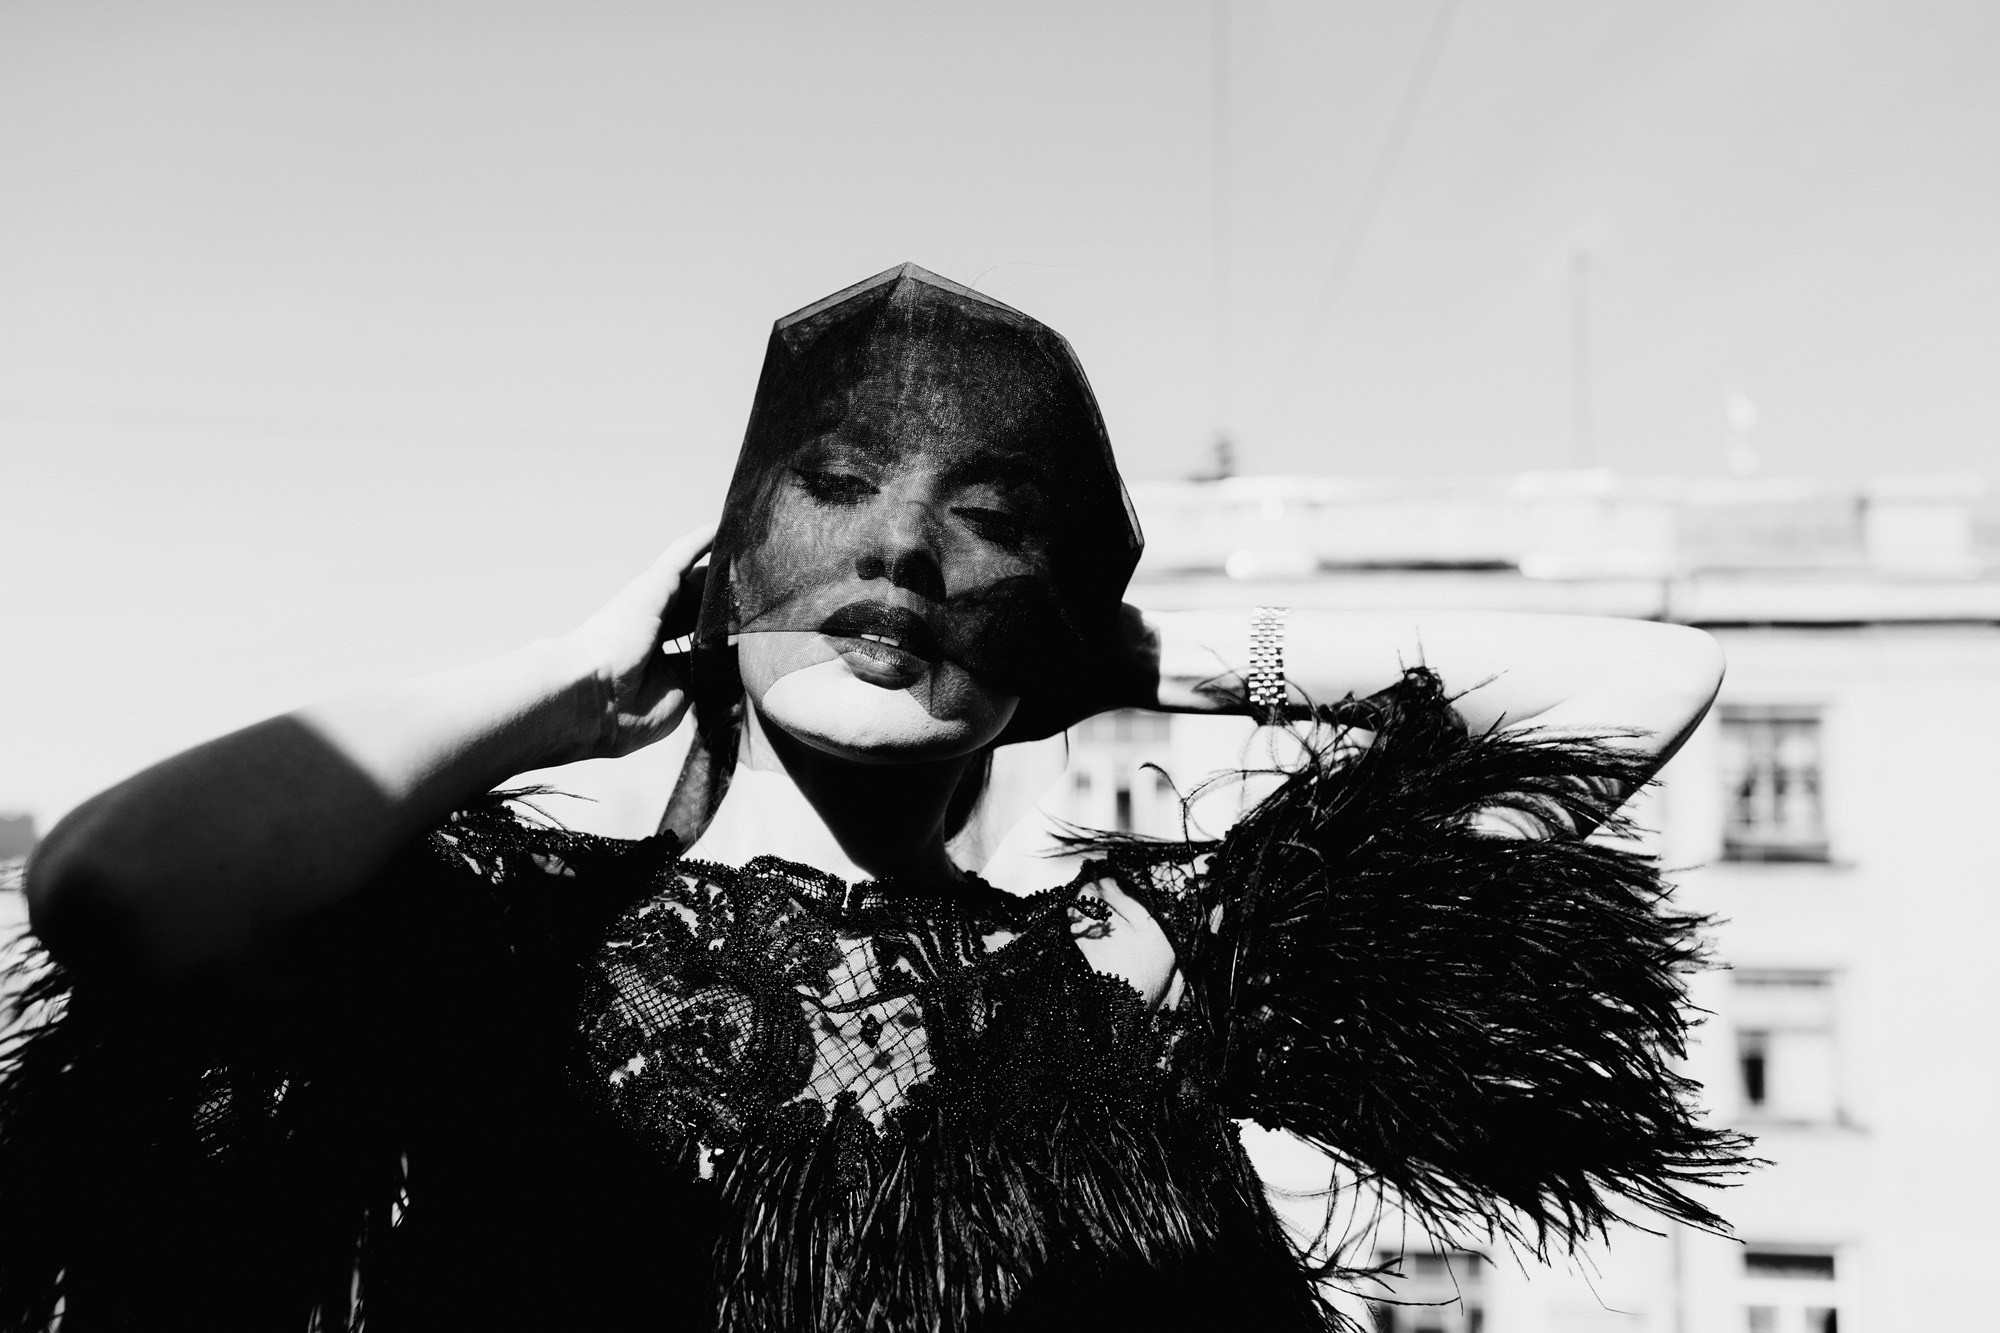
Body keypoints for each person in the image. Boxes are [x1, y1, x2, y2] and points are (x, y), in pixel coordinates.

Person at [4, 265, 1744, 1332]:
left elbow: (1643, 689)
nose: (901, 549)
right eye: (835, 491)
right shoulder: (506, 948)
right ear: (731, 558)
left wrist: (1147, 644)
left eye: (987, 523)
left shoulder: (1124, 973)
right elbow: (112, 885)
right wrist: (556, 686)